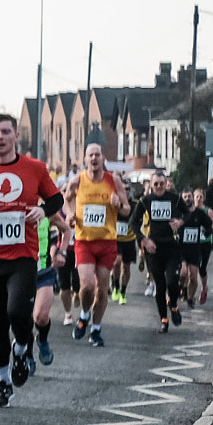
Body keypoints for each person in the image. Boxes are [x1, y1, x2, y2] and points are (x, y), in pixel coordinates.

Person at [0, 112, 63, 407]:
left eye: (5, 132)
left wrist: (43, 211)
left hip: (23, 254)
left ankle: (23, 347)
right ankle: (2, 381)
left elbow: (56, 199)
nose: (0, 137)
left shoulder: (34, 168)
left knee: (16, 311)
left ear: (16, 137)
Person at [62, 143, 129, 346]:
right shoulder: (78, 180)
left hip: (107, 241)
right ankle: (84, 315)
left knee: (102, 289)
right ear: (85, 159)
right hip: (84, 241)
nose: (94, 158)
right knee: (87, 286)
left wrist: (120, 205)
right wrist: (70, 214)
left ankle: (96, 329)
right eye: (90, 155)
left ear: (103, 158)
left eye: (97, 154)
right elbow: (66, 199)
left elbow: (127, 210)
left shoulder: (113, 180)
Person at [126, 169, 187, 332]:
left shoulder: (174, 198)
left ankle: (173, 305)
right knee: (160, 286)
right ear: (151, 185)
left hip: (171, 247)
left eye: (162, 184)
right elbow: (133, 223)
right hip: (154, 249)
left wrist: (180, 222)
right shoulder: (146, 200)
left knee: (172, 283)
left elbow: (188, 214)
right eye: (156, 184)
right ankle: (163, 320)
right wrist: (143, 239)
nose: (159, 187)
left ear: (166, 184)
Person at [32, 212, 70, 365]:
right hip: (19, 270)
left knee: (41, 316)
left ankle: (42, 339)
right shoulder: (11, 206)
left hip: (44, 270)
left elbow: (65, 231)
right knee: (21, 317)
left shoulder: (46, 210)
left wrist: (61, 251)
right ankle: (25, 351)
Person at [182, 188, 213, 305]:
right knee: (183, 273)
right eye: (185, 197)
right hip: (180, 248)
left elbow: (210, 226)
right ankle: (180, 290)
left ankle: (190, 298)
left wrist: (207, 232)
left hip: (195, 248)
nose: (187, 199)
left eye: (189, 196)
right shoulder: (178, 212)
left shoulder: (200, 213)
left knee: (194, 276)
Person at [111, 180, 140, 303]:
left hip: (129, 240)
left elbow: (140, 221)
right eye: (123, 189)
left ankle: (123, 291)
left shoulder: (135, 205)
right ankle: (115, 287)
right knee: (116, 263)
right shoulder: (114, 204)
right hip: (116, 239)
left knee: (126, 268)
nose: (126, 191)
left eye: (128, 189)